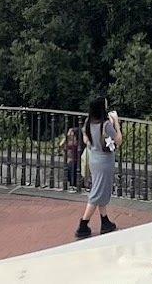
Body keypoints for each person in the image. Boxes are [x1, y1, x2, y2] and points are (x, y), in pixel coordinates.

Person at [75, 97, 119, 239]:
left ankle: (105, 221)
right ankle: (83, 224)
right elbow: (118, 140)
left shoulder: (89, 122)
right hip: (104, 162)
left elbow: (86, 140)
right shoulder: (106, 125)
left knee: (101, 189)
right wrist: (116, 123)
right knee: (97, 192)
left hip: (94, 159)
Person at [61, 124, 82, 191]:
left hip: (75, 162)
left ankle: (73, 185)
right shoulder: (73, 142)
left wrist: (66, 137)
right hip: (73, 161)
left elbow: (62, 144)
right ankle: (73, 185)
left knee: (72, 172)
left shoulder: (75, 143)